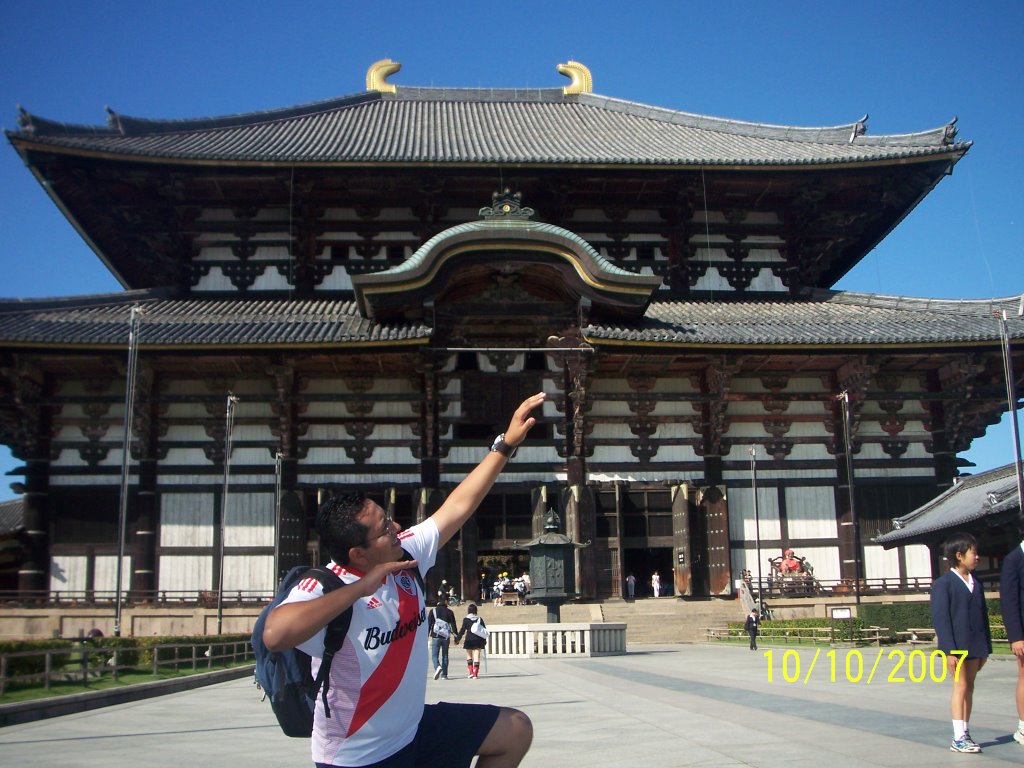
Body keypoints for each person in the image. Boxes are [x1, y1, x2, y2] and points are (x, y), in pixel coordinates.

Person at [262, 391, 544, 768]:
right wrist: (361, 588)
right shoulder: (324, 586)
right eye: (384, 529)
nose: (396, 527)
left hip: (413, 731)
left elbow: (458, 506)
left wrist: (505, 444)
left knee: (514, 729)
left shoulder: (405, 554)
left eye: (389, 518)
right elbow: (275, 634)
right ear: (358, 555)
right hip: (356, 755)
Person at [931, 531, 992, 754]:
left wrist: (986, 648)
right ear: (959, 555)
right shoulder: (943, 584)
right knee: (961, 687)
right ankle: (958, 737)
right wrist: (949, 651)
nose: (977, 557)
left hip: (976, 645)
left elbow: (982, 615)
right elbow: (941, 620)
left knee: (970, 688)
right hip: (957, 647)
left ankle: (966, 731)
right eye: (973, 553)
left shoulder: (976, 582)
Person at [1000, 534, 1024, 746]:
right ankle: (1023, 727)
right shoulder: (1013, 560)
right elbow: (1009, 602)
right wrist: (1016, 637)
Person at [454, 603, 488, 679]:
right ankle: (475, 673)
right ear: (476, 610)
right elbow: (484, 630)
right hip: (478, 639)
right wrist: (484, 641)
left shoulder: (466, 619)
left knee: (469, 656)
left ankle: (471, 672)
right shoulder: (479, 619)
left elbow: (462, 630)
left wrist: (457, 639)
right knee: (477, 656)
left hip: (469, 639)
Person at [428, 597, 457, 680]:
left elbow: (429, 625)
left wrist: (426, 636)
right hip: (446, 637)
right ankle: (444, 675)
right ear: (445, 601)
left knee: (434, 655)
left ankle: (437, 667)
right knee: (445, 655)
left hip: (436, 636)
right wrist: (456, 637)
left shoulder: (433, 611)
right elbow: (453, 625)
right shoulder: (449, 612)